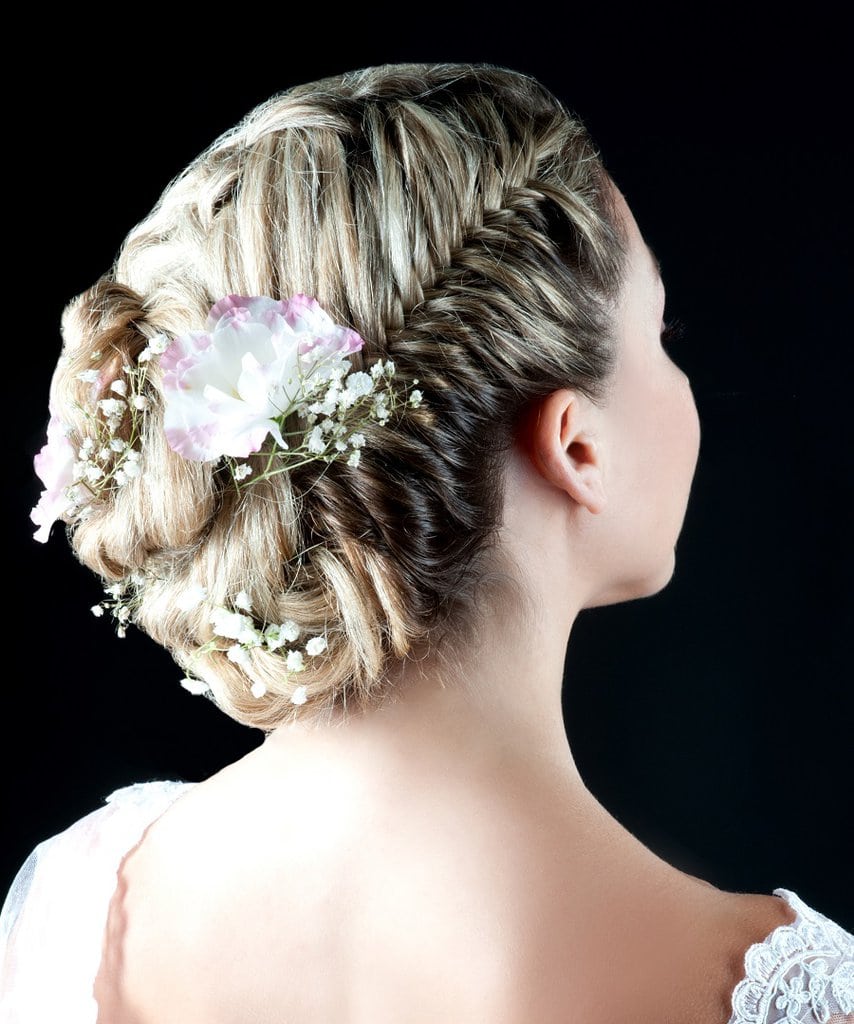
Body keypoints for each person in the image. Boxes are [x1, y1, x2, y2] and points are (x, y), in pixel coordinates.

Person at [2, 61, 851, 1024]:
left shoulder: (75, 906)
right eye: (662, 330)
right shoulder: (797, 996)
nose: (686, 379)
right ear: (577, 445)